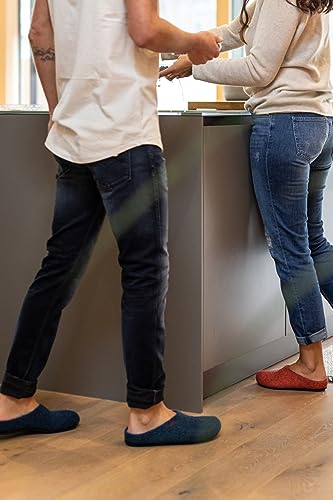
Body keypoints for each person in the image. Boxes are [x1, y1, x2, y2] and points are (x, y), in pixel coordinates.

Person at [0, 0, 223, 447]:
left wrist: (59, 108)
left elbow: (39, 32)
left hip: (74, 133)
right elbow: (145, 30)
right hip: (125, 132)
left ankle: (13, 399)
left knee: (58, 268)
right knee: (144, 271)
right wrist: (195, 42)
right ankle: (147, 413)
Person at [163, 0, 333, 392]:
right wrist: (185, 46)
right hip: (318, 123)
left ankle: (311, 364)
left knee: (291, 248)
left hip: (284, 125)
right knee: (313, 240)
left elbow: (258, 70)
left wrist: (194, 68)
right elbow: (235, 30)